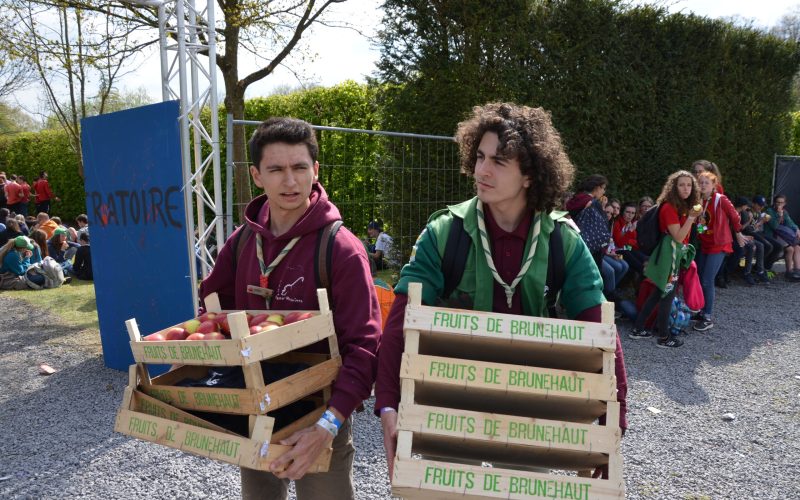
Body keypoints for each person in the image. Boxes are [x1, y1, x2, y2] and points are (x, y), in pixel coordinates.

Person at [374, 102, 628, 478]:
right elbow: (399, 325)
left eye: (498, 161)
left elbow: (601, 331)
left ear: (530, 175)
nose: (481, 170)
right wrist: (388, 407)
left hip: (530, 404)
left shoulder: (562, 240)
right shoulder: (444, 233)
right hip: (450, 398)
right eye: (479, 157)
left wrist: (614, 420)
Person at [198, 117, 380, 500]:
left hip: (319, 415)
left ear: (315, 170)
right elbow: (212, 310)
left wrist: (328, 425)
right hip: (257, 409)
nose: (291, 181)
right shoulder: (243, 240)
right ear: (256, 175)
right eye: (276, 169)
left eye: (300, 167)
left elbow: (364, 348)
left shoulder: (342, 249)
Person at [629, 171, 701, 347]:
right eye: (682, 185)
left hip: (672, 254)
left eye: (689, 185)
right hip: (669, 254)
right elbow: (677, 236)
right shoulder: (669, 207)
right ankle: (663, 338)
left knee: (659, 292)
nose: (686, 188)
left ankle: (638, 329)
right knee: (667, 294)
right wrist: (691, 218)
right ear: (673, 188)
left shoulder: (680, 207)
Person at [691, 172, 750, 331]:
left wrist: (737, 232)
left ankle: (708, 316)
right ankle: (702, 311)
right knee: (700, 277)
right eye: (700, 183)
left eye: (706, 183)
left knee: (707, 280)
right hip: (706, 244)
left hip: (719, 244)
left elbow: (734, 216)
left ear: (714, 185)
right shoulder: (699, 201)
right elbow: (700, 223)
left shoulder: (720, 199)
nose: (703, 185)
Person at [733, 197, 769, 285]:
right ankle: (746, 272)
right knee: (752, 245)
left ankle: (759, 271)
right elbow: (743, 229)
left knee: (761, 245)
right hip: (735, 237)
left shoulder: (750, 213)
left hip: (742, 235)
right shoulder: (742, 213)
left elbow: (741, 229)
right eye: (760, 205)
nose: (761, 207)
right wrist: (751, 222)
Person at [764, 194, 800, 281]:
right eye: (777, 202)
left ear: (785, 203)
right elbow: (774, 226)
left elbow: (790, 223)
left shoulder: (785, 212)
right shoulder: (769, 211)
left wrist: (797, 229)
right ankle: (789, 272)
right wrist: (779, 215)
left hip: (781, 236)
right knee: (790, 249)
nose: (779, 204)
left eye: (781, 203)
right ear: (774, 203)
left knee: (797, 247)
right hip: (772, 235)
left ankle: (797, 271)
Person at [750, 195, 783, 272]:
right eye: (760, 205)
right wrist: (761, 222)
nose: (761, 207)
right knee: (768, 246)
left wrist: (778, 216)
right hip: (751, 234)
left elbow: (775, 225)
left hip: (759, 233)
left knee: (779, 247)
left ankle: (766, 268)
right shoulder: (749, 212)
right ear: (753, 204)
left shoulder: (759, 212)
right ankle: (758, 268)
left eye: (763, 206)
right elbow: (749, 229)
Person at [613, 202, 647, 275]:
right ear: (622, 212)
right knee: (627, 253)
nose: (630, 215)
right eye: (627, 212)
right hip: (615, 252)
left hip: (627, 249)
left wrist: (627, 239)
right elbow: (619, 244)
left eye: (632, 213)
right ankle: (645, 272)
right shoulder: (617, 223)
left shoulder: (631, 223)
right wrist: (630, 230)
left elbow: (635, 244)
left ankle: (646, 270)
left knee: (643, 257)